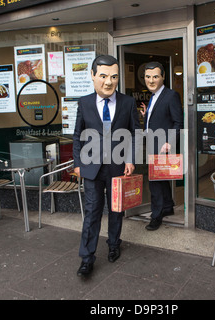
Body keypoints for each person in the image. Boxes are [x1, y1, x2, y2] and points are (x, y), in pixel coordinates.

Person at [73, 55, 140, 276]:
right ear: (92, 76)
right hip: (91, 168)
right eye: (103, 76)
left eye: (113, 77)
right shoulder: (84, 103)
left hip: (117, 167)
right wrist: (77, 164)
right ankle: (87, 257)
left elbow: (135, 134)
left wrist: (130, 158)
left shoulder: (128, 102)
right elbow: (77, 136)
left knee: (115, 210)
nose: (109, 82)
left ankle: (113, 244)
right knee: (92, 212)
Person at [141, 61, 183, 231]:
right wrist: (146, 117)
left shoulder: (170, 95)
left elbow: (178, 122)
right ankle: (168, 206)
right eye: (148, 77)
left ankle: (156, 216)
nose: (151, 80)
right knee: (161, 179)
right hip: (153, 144)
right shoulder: (153, 96)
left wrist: (169, 142)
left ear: (163, 77)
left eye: (155, 77)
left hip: (162, 146)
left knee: (155, 183)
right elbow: (160, 119)